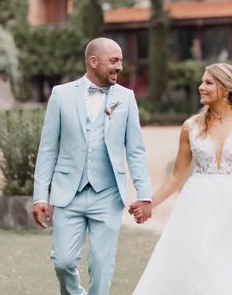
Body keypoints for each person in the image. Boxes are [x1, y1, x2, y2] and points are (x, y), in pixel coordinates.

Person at [130, 63, 232, 294]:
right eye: (202, 82)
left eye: (208, 82)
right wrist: (150, 203)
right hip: (198, 203)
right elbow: (176, 175)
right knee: (200, 260)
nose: (200, 87)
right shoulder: (190, 127)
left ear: (225, 89)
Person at [31, 38, 153, 295]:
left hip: (108, 194)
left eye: (121, 60)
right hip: (67, 193)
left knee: (101, 264)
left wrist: (144, 195)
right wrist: (40, 195)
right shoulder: (61, 95)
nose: (120, 66)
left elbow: (136, 151)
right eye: (114, 60)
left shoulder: (126, 98)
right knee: (63, 262)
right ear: (93, 61)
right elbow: (48, 149)